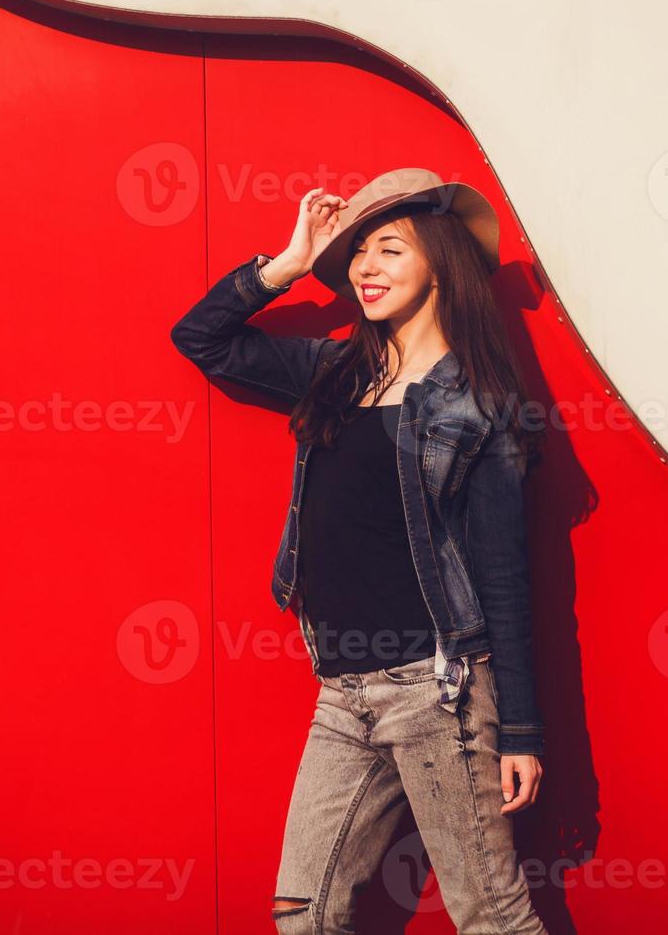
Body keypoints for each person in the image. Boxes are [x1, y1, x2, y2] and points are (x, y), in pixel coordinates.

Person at [170, 169, 549, 933]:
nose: (363, 269)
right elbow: (199, 338)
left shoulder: (478, 408)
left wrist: (522, 733)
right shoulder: (336, 373)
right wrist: (288, 261)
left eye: (388, 250)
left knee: (491, 920)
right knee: (301, 913)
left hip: (438, 692)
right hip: (342, 690)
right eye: (357, 257)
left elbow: (505, 580)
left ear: (439, 262)